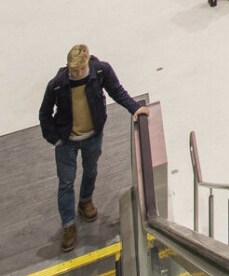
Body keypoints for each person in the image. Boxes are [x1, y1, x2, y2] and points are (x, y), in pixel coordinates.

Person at [39, 45, 148, 253]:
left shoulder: (100, 71)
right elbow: (44, 114)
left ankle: (85, 201)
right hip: (66, 141)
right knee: (66, 182)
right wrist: (55, 139)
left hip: (92, 137)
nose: (76, 74)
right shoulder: (58, 84)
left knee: (91, 171)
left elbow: (116, 90)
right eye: (73, 71)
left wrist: (134, 108)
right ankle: (69, 225)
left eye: (80, 70)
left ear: (87, 63)